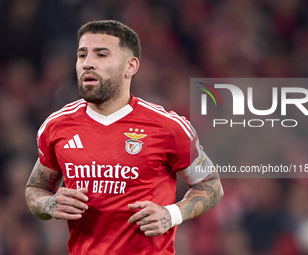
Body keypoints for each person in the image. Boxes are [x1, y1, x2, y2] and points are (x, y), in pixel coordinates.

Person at [25, 20, 223, 255]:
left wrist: (172, 214)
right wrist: (50, 204)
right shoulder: (57, 126)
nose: (87, 64)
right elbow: (35, 189)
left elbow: (211, 185)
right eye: (81, 55)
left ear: (130, 66)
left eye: (101, 55)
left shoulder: (168, 127)